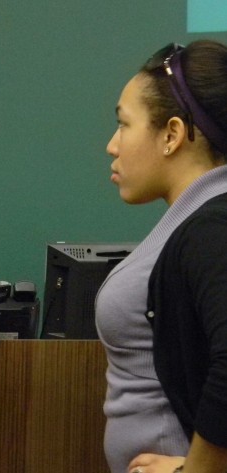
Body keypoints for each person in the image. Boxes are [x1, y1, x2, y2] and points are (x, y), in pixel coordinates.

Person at [95, 40, 227, 473]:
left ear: (171, 135)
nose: (113, 145)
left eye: (123, 125)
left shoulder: (212, 227)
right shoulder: (197, 219)